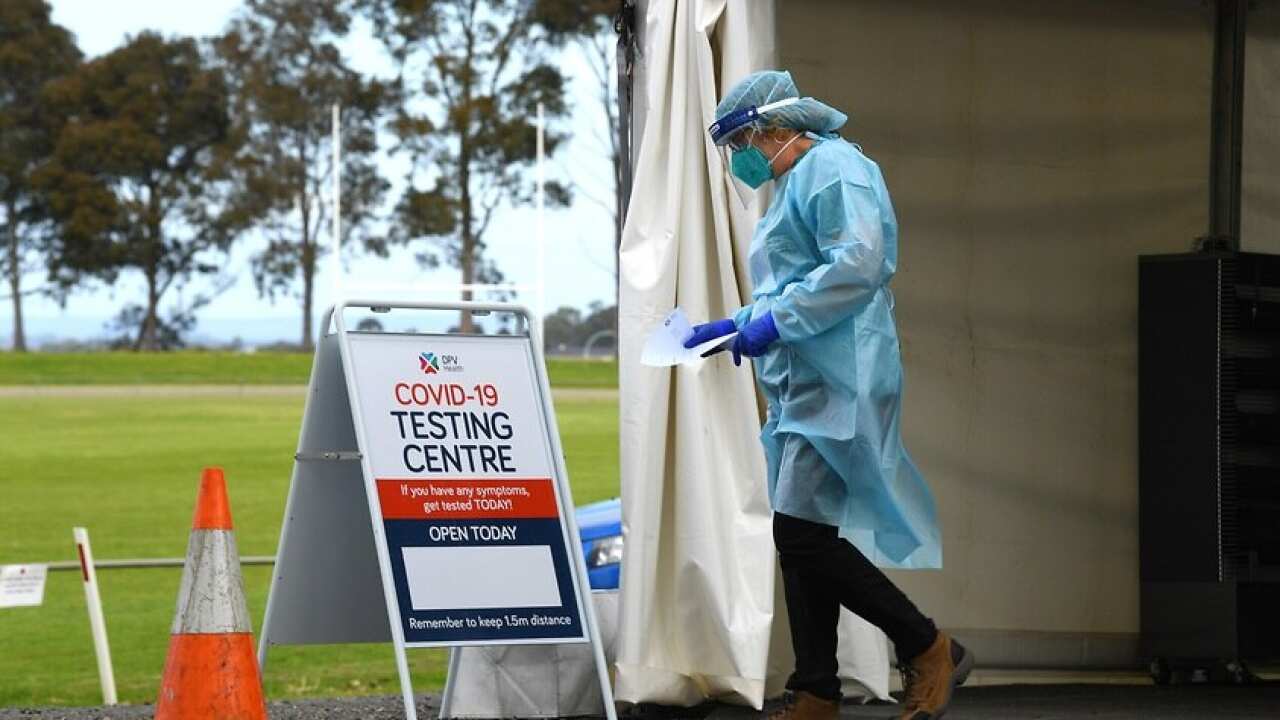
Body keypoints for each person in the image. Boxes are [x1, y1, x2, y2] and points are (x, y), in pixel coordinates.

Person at [686, 70, 974, 720]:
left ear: (773, 128)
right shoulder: (797, 182)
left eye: (741, 145)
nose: (741, 161)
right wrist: (734, 324)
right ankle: (816, 688)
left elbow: (859, 263)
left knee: (803, 536)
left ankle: (927, 645)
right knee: (800, 533)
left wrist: (774, 323)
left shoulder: (835, 168)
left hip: (843, 372)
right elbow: (790, 283)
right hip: (809, 378)